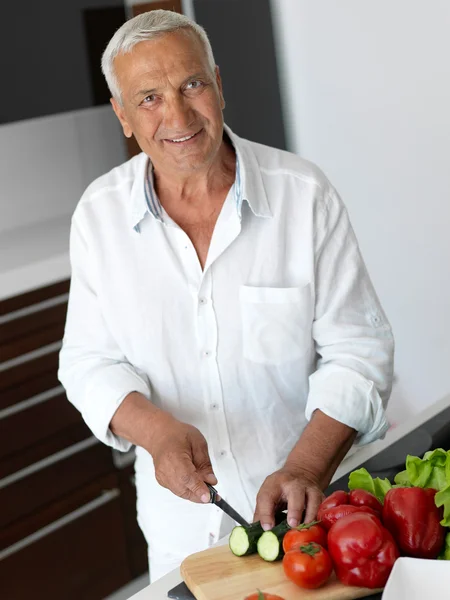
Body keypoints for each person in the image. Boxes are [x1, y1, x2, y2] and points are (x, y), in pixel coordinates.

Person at [58, 9, 394, 582]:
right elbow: (88, 363)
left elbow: (359, 352)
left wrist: (307, 468)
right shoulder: (98, 215)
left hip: (309, 524)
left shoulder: (304, 196)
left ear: (218, 83)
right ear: (122, 116)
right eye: (149, 98)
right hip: (179, 538)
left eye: (192, 84)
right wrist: (158, 434)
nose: (179, 115)